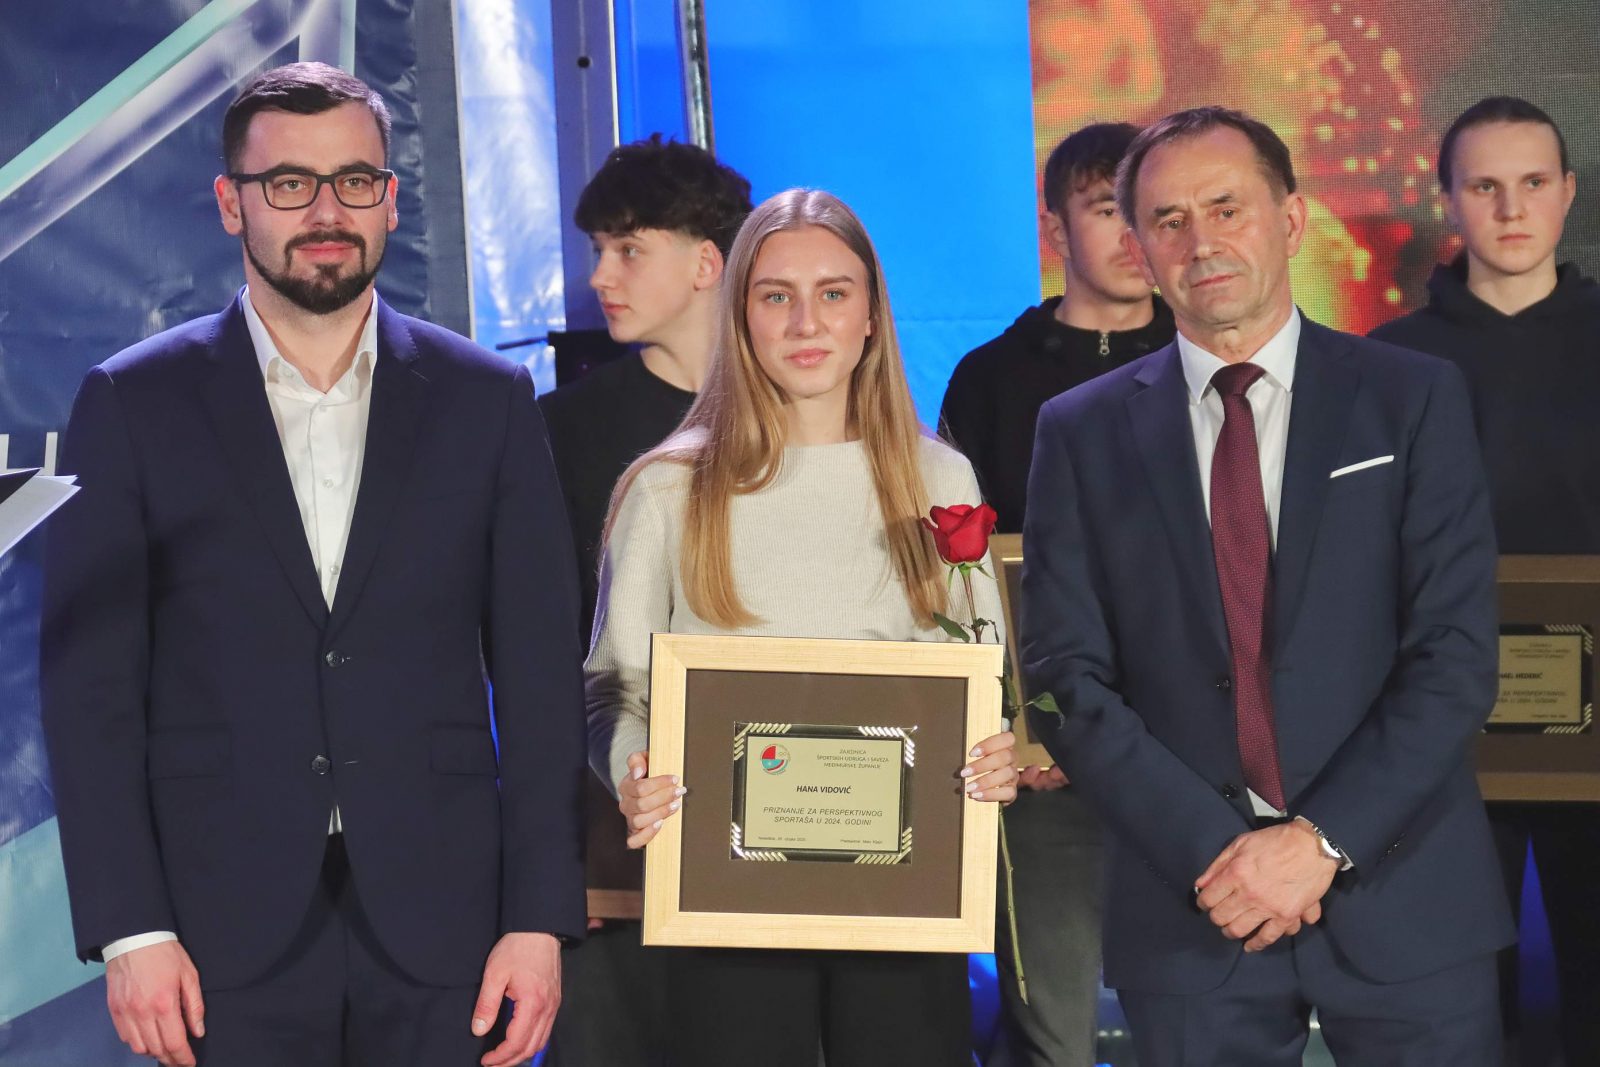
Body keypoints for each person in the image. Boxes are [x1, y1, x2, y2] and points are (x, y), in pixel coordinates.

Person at [39, 62, 586, 1067]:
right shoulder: (132, 402)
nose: (326, 211)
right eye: (289, 183)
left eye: (354, 181)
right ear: (230, 203)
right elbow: (91, 691)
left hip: (450, 923)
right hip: (214, 927)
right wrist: (130, 927)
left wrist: (539, 915)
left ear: (391, 199)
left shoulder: (487, 399)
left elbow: (541, 676)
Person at [1022, 105, 1513, 1065]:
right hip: (1192, 903)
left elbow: (1454, 655)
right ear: (1139, 249)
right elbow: (1062, 679)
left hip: (1407, 896)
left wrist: (1316, 842)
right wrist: (1221, 855)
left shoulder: (1413, 397)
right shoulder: (1077, 432)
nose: (1200, 242)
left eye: (1226, 208)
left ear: (1290, 219)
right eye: (1168, 220)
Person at [585, 188, 1019, 1067]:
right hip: (725, 890)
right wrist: (634, 767)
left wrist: (995, 751)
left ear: (872, 315)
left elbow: (985, 680)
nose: (805, 322)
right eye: (776, 295)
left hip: (905, 892)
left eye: (834, 292)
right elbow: (613, 690)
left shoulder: (941, 480)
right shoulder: (667, 489)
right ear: (740, 315)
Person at [1370, 95, 1600, 1063]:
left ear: (1568, 193)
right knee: (1458, 1000)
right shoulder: (1386, 362)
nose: (1512, 209)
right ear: (1448, 202)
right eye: (1485, 186)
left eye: (1533, 182)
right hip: (1439, 730)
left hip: (1599, 729)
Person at [940, 121, 1173, 1067]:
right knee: (1054, 1030)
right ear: (1054, 230)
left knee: (1200, 1024)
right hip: (1040, 762)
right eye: (1108, 209)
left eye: (1148, 211)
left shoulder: (1214, 361)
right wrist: (1021, 728)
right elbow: (960, 579)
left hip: (1192, 763)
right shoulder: (992, 379)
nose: (1134, 234)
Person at [538, 135, 751, 1066]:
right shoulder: (559, 430)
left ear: (707, 264)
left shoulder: (804, 412)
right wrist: (553, 853)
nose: (600, 276)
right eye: (598, 250)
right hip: (607, 824)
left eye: (628, 249)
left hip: (776, 814)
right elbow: (537, 650)